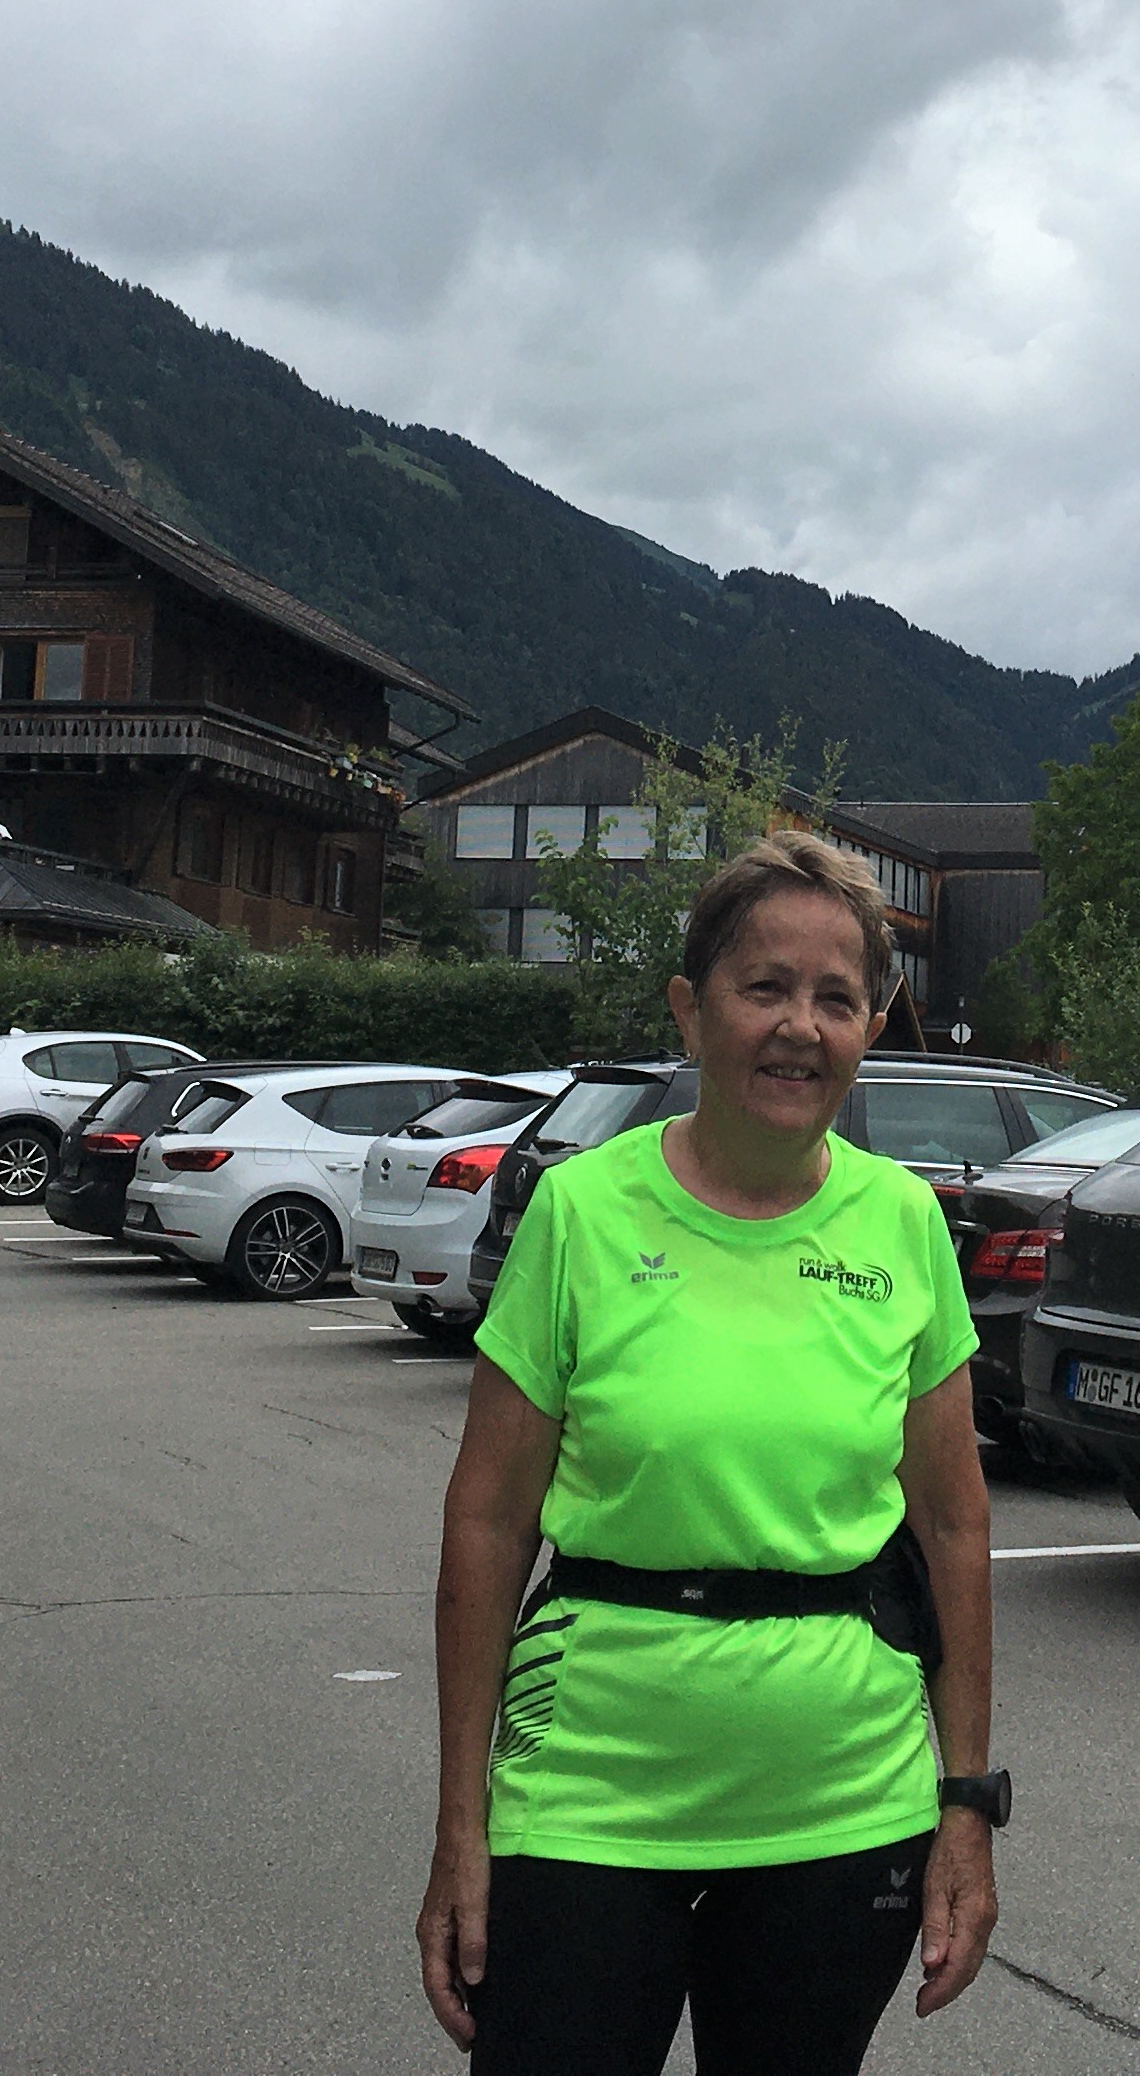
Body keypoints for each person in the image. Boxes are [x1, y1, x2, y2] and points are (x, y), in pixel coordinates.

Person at [417, 830, 1003, 2074]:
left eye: (836, 998)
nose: (800, 1027)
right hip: (586, 1794)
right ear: (692, 1010)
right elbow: (488, 1522)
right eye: (765, 987)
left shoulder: (904, 1221)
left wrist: (965, 1807)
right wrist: (461, 1822)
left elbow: (954, 1524)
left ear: (872, 1027)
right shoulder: (582, 1211)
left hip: (845, 1803)